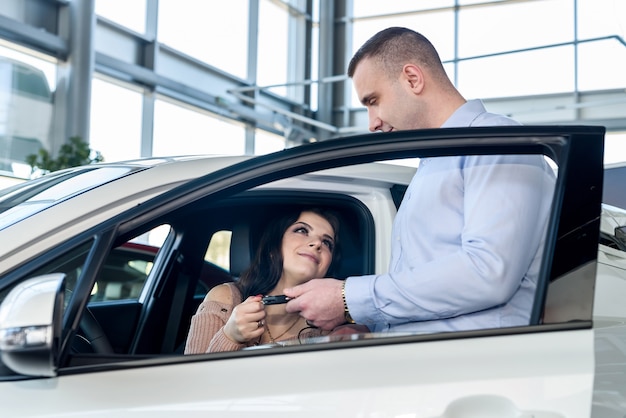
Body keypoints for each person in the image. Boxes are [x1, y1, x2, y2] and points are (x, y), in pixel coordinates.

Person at [283, 27, 556, 334]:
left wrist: (348, 298)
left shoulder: (500, 144)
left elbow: (488, 272)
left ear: (412, 78)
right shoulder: (433, 166)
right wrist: (372, 326)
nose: (373, 123)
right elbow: (429, 294)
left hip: (474, 369)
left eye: (373, 100)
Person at [184, 207, 366, 353]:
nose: (317, 244)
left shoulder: (330, 325)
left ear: (328, 265)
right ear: (273, 248)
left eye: (327, 243)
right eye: (302, 230)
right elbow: (191, 388)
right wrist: (230, 337)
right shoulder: (224, 298)